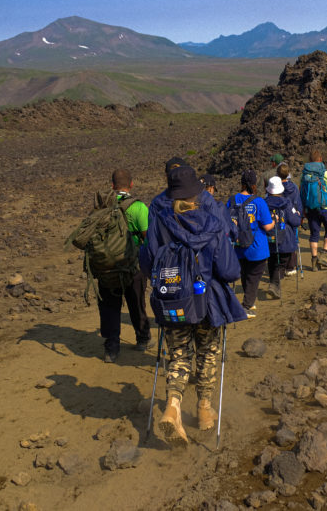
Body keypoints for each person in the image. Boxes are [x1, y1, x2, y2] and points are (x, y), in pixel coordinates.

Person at [141, 165, 245, 445]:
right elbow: (229, 270)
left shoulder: (160, 221)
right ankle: (204, 410)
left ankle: (173, 406)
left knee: (179, 356)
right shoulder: (212, 222)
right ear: (197, 194)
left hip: (174, 301)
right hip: (207, 302)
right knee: (208, 352)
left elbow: (147, 263)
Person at [97, 168, 151, 363]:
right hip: (132, 266)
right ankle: (142, 339)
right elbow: (148, 238)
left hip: (107, 266)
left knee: (109, 307)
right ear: (131, 184)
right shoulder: (139, 208)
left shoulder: (103, 206)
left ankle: (111, 349)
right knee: (136, 302)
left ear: (112, 185)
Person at [226, 169, 274, 317]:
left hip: (238, 245)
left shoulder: (231, 200)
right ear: (254, 184)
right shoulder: (259, 202)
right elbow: (267, 226)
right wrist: (274, 221)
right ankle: (246, 306)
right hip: (256, 246)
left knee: (245, 274)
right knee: (254, 277)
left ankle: (249, 302)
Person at [301, 150, 327, 271]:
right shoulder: (326, 173)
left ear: (310, 160)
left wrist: (304, 209)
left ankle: (314, 260)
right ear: (320, 160)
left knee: (314, 234)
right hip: (326, 208)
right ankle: (324, 254)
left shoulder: (304, 175)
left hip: (311, 208)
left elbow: (302, 193)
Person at [264, 176, 301, 299]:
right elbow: (295, 221)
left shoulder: (263, 203)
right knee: (281, 263)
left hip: (268, 237)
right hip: (285, 239)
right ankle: (274, 285)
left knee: (272, 261)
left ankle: (275, 286)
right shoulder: (287, 203)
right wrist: (297, 215)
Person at [276, 163, 302, 276]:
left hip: (280, 216)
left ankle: (281, 265)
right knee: (293, 238)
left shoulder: (276, 187)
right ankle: (291, 266)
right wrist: (299, 214)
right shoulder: (294, 187)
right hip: (292, 214)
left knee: (280, 238)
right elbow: (298, 201)